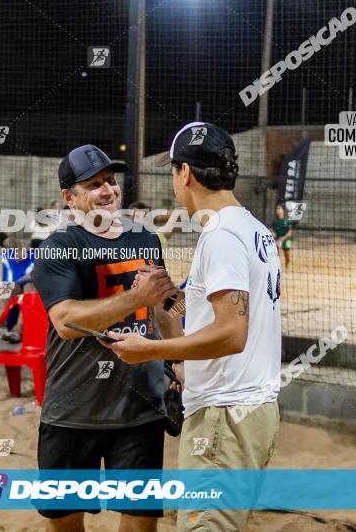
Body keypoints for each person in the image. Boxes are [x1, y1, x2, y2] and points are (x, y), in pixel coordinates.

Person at [104, 123, 282, 531]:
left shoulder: (220, 236)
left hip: (225, 419)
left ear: (185, 173)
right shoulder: (255, 230)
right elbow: (237, 326)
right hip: (251, 409)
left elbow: (232, 333)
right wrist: (186, 361)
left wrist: (148, 350)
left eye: (173, 172)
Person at [31, 144, 180, 532]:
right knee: (64, 522)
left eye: (111, 181)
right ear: (70, 198)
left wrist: (180, 360)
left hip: (140, 407)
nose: (108, 190)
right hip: (74, 411)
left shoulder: (145, 238)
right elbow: (65, 321)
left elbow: (163, 306)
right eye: (94, 184)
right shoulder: (58, 249)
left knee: (140, 520)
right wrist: (135, 298)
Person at [272, 203, 293, 268]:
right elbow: (273, 231)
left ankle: (287, 263)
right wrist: (273, 234)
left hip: (286, 239)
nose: (278, 210)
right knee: (275, 252)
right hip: (278, 239)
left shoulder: (287, 221)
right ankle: (276, 265)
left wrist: (283, 238)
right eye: (277, 209)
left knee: (287, 254)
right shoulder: (275, 222)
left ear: (283, 210)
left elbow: (290, 232)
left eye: (279, 208)